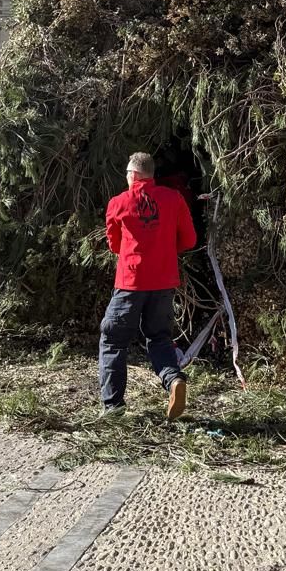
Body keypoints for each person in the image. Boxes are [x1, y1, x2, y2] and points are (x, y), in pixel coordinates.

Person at [99, 151, 196, 420]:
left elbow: (115, 245)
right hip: (164, 282)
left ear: (132, 175)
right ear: (151, 175)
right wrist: (163, 250)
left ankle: (114, 408)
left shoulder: (118, 203)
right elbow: (189, 240)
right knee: (159, 337)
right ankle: (174, 379)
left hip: (131, 283)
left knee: (113, 341)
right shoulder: (173, 198)